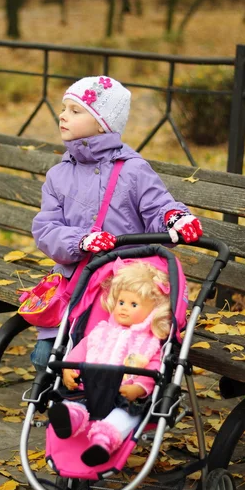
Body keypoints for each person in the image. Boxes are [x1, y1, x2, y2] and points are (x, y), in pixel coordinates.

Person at [31, 75, 202, 372]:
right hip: (77, 281)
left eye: (75, 110)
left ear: (102, 124)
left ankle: (111, 403)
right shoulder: (59, 175)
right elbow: (46, 228)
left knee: (111, 353)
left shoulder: (132, 169)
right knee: (47, 356)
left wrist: (175, 218)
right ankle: (69, 406)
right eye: (64, 108)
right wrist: (79, 241)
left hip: (124, 288)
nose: (63, 115)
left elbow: (157, 205)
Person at [47, 258, 172, 467]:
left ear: (152, 311)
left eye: (133, 304)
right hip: (88, 389)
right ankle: (69, 419)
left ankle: (102, 444)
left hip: (124, 396)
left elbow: (153, 368)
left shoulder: (148, 342)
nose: (123, 308)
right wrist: (68, 369)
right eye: (121, 302)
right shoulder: (100, 331)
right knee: (73, 404)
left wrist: (139, 388)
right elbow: (80, 351)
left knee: (125, 416)